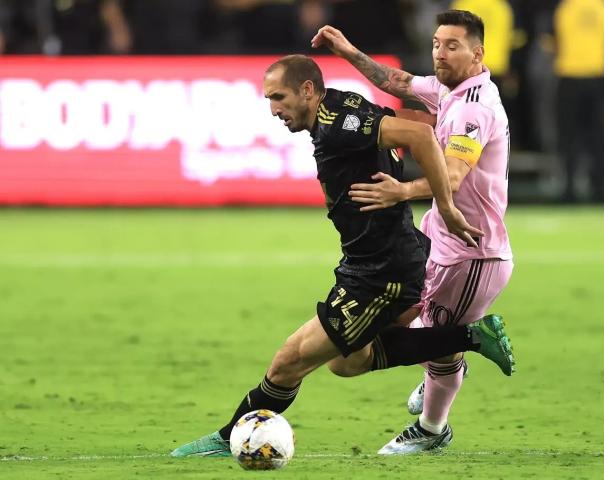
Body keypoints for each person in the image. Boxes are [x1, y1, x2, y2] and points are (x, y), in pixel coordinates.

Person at [170, 54, 514, 457]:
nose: (274, 110)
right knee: (347, 361)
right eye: (269, 100)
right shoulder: (339, 104)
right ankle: (461, 339)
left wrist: (443, 205)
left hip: (380, 273)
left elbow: (420, 136)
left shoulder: (338, 126)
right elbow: (409, 123)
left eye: (279, 98)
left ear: (307, 90)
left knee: (289, 362)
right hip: (380, 261)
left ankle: (228, 438)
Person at [312, 9, 515, 455]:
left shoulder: (472, 110)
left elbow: (454, 177)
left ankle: (431, 428)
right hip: (439, 242)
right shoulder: (450, 88)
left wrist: (400, 191)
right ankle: (442, 365)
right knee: (411, 325)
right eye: (437, 44)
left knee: (437, 342)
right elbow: (397, 82)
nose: (440, 53)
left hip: (472, 253)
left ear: (478, 53)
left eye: (452, 46)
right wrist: (348, 51)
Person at [553, 0, 604, 202]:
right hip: (597, 77)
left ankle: (569, 189)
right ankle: (600, 190)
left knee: (568, 136)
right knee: (598, 136)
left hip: (569, 77)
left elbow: (555, 42)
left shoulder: (566, 8)